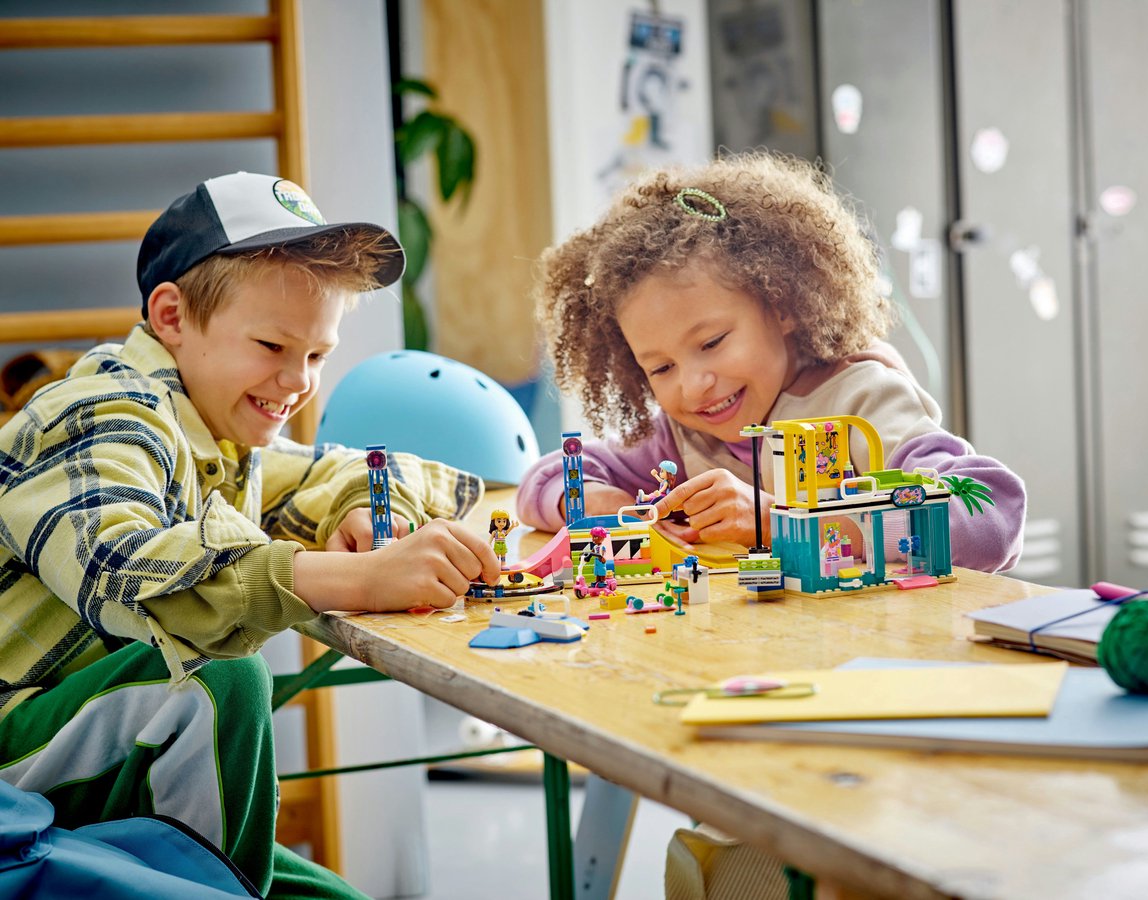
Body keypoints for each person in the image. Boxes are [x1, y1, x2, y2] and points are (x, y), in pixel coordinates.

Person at [0, 172, 500, 899]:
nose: (298, 382)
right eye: (272, 344)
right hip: (12, 763)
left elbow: (357, 471)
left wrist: (362, 511)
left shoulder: (223, 431)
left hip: (73, 750)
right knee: (216, 680)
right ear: (171, 317)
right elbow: (118, 567)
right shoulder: (104, 412)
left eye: (319, 355)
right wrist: (357, 580)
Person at [516, 151, 1025, 572]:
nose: (694, 386)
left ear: (781, 305)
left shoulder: (863, 401)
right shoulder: (683, 436)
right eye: (661, 368)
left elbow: (991, 514)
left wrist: (778, 523)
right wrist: (608, 505)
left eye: (712, 342)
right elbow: (546, 479)